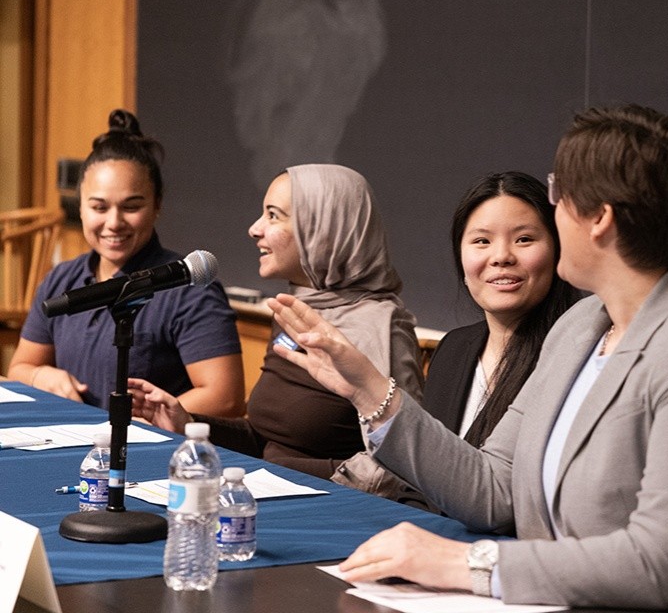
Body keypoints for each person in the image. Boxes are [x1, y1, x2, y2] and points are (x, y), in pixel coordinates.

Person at [268, 104, 668, 612]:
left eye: (558, 194)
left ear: (598, 218)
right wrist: (368, 388)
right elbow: (494, 489)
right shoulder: (580, 325)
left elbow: (659, 565)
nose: (552, 209)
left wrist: (462, 563)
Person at [129, 164, 423, 479]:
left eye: (273, 215)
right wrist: (189, 424)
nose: (255, 229)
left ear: (322, 229)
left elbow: (401, 470)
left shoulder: (381, 329)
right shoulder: (294, 309)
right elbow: (265, 439)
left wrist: (273, 473)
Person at [332, 171, 578, 500]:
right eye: (481, 241)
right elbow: (421, 480)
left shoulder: (570, 358)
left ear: (557, 250)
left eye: (524, 239)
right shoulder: (453, 349)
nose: (501, 256)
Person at [9, 110, 244, 416]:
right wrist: (43, 376)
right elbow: (20, 367)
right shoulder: (61, 279)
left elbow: (225, 399)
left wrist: (142, 421)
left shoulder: (188, 289)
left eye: (131, 207)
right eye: (99, 207)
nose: (114, 222)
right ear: (79, 207)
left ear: (157, 205)